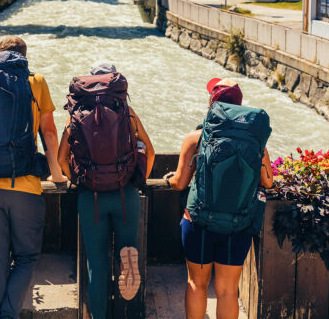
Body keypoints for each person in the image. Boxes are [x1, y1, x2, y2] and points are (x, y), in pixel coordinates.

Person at [0, 36, 66, 319]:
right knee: (26, 257)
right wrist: (56, 173)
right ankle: (8, 315)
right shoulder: (35, 81)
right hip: (24, 185)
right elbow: (48, 132)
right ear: (24, 57)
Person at [164, 78, 273, 319]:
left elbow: (180, 183)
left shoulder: (196, 138)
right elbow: (268, 181)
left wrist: (168, 179)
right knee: (227, 291)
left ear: (211, 104)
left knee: (196, 284)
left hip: (200, 222)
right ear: (240, 105)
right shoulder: (255, 140)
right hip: (239, 224)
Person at [58, 63, 155, 319]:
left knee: (97, 266)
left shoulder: (75, 114)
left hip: (92, 198)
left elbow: (61, 159)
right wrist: (137, 179)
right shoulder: (128, 112)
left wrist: (77, 179)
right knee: (127, 250)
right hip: (126, 195)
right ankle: (128, 305)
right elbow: (150, 150)